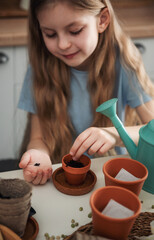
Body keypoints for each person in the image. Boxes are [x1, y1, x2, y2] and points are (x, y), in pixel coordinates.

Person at [18, 0, 154, 185]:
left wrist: (113, 135)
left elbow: (152, 128)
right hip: (59, 173)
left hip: (110, 174)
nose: (63, 44)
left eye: (75, 31)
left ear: (102, 20)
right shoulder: (40, 67)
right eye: (50, 34)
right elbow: (37, 138)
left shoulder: (123, 62)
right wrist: (38, 154)